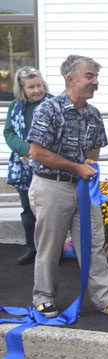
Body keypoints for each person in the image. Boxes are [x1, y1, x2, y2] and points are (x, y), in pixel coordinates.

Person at [26, 54, 108, 320]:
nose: (96, 82)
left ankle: (106, 298)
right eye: (90, 76)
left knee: (94, 244)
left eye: (96, 77)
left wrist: (89, 164)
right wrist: (76, 167)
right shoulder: (48, 110)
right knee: (50, 245)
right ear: (70, 78)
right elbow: (36, 152)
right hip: (52, 188)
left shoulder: (93, 114)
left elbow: (94, 150)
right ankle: (44, 298)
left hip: (84, 189)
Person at [4, 67, 53, 265]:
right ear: (22, 89)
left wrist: (37, 154)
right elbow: (9, 133)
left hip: (49, 167)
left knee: (49, 212)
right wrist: (26, 150)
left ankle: (51, 251)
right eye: (31, 87)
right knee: (28, 210)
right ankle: (32, 249)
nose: (37, 90)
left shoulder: (54, 103)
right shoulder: (15, 106)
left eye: (39, 85)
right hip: (23, 168)